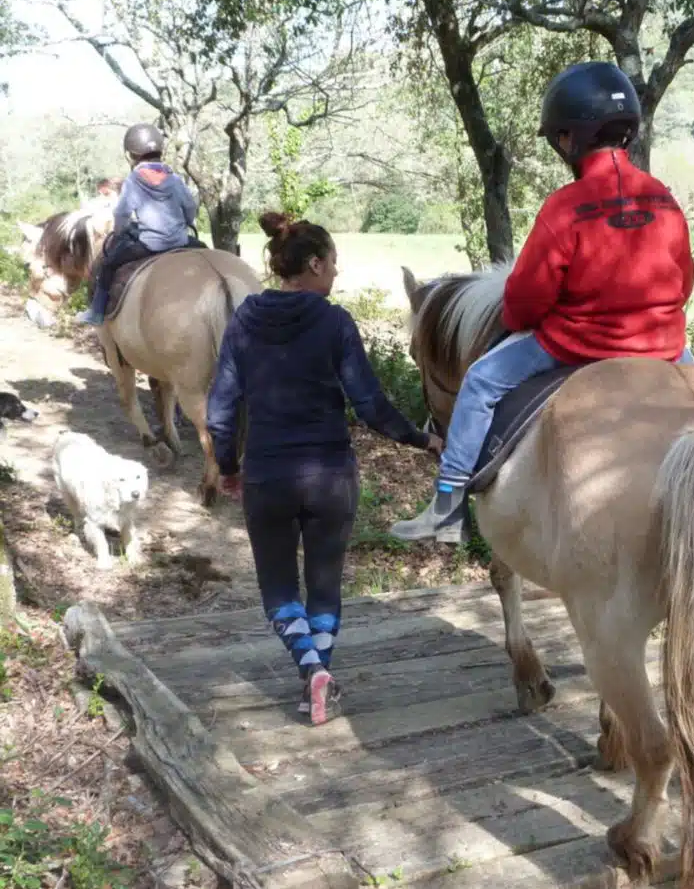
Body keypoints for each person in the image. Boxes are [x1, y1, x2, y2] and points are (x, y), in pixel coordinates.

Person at [391, 61, 694, 544]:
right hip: (664, 347)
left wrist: (527, 317)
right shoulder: (664, 199)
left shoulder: (565, 207)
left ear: (568, 138)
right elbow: (684, 283)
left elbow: (525, 304)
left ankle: (446, 507)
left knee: (480, 382)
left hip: (577, 346)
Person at [206, 212, 443, 726]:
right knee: (325, 586)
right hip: (329, 476)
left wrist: (228, 466)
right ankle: (320, 678)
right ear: (313, 264)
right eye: (333, 263)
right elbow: (370, 403)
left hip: (267, 476)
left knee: (277, 590)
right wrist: (422, 439)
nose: (336, 274)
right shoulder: (334, 322)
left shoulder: (245, 320)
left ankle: (312, 674)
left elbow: (220, 410)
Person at [76, 124, 204, 326]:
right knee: (205, 252)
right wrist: (186, 223)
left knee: (108, 266)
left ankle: (96, 312)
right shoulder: (174, 177)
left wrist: (120, 231)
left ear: (131, 155)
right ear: (160, 150)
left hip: (149, 245)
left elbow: (122, 212)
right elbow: (189, 206)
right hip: (180, 240)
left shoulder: (134, 180)